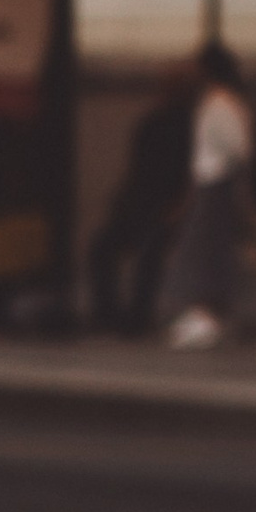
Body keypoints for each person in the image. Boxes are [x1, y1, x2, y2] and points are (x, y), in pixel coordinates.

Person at [85, 65, 193, 337]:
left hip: (164, 208)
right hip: (139, 205)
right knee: (100, 248)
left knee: (148, 251)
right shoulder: (152, 123)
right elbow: (136, 171)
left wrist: (177, 207)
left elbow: (187, 176)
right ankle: (109, 314)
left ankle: (136, 318)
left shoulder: (187, 127)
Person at [158, 40, 253, 349]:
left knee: (205, 250)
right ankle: (206, 314)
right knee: (204, 251)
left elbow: (238, 148)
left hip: (216, 184)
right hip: (211, 182)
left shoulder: (221, 103)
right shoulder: (217, 101)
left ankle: (207, 315)